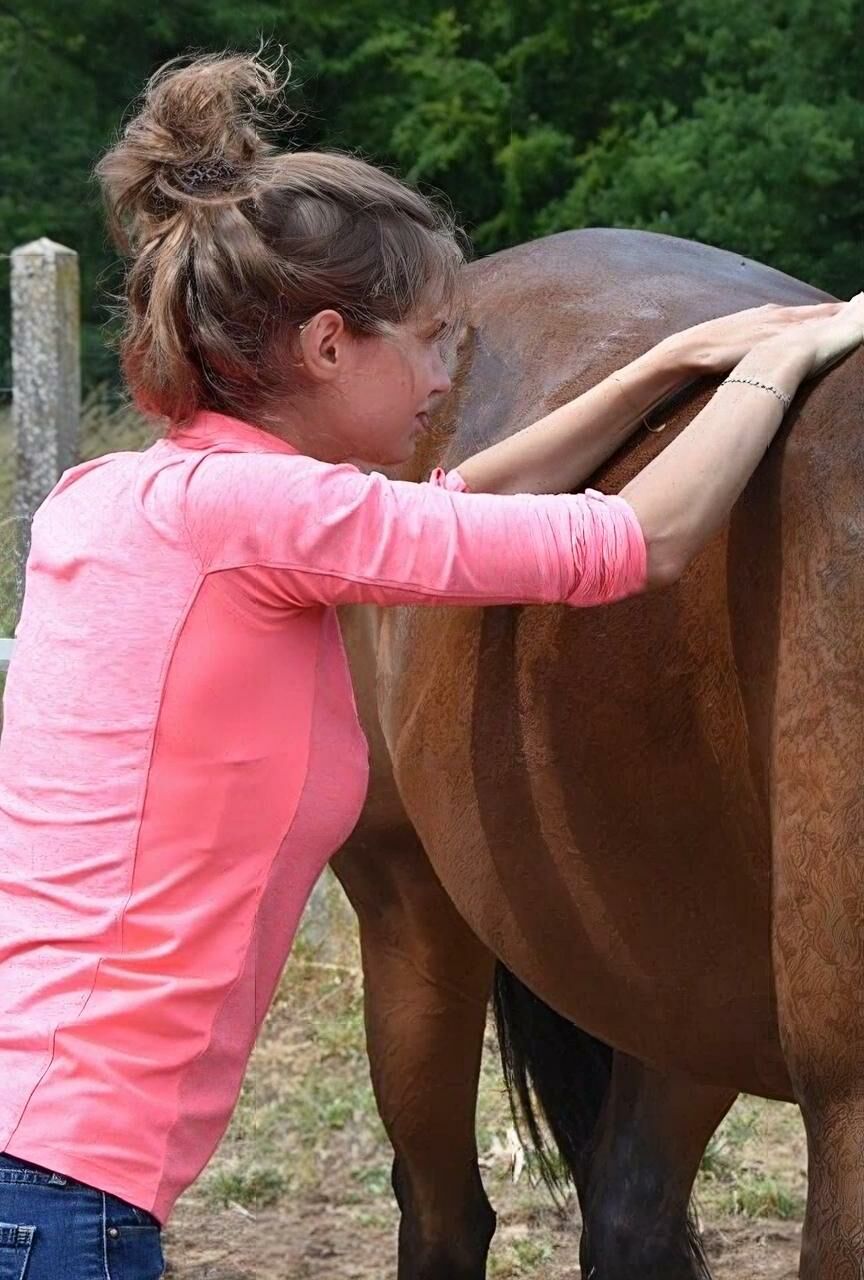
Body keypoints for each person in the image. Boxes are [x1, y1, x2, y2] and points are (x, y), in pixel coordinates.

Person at [0, 49, 860, 1280]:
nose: (454, 377)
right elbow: (636, 538)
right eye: (433, 341)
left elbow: (452, 505)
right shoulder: (265, 523)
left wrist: (670, 367)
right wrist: (786, 362)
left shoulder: (132, 500)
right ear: (332, 346)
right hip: (61, 1200)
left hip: (38, 1148)